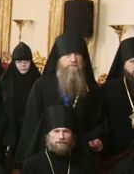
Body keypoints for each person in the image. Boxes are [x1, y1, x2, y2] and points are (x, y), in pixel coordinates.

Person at [14, 34, 101, 162]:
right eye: (68, 55)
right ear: (59, 59)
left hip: (79, 155)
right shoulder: (42, 85)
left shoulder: (91, 88)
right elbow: (31, 123)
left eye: (77, 55)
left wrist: (96, 138)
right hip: (45, 154)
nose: (73, 59)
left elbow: (98, 122)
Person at [0, 42, 42, 146]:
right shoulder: (4, 81)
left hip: (32, 126)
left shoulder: (38, 81)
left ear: (31, 62)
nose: (23, 64)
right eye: (19, 61)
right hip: (10, 127)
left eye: (26, 61)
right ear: (13, 62)